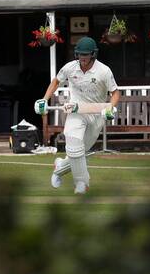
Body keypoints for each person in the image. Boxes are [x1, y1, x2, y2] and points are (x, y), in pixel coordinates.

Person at [34, 37, 119, 194]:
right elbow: (56, 82)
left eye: (86, 55)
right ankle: (82, 183)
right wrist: (44, 100)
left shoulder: (104, 71)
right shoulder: (70, 68)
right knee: (73, 143)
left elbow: (115, 93)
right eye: (80, 55)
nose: (83, 58)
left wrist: (110, 108)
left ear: (93, 54)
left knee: (80, 151)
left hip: (95, 113)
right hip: (76, 111)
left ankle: (59, 168)